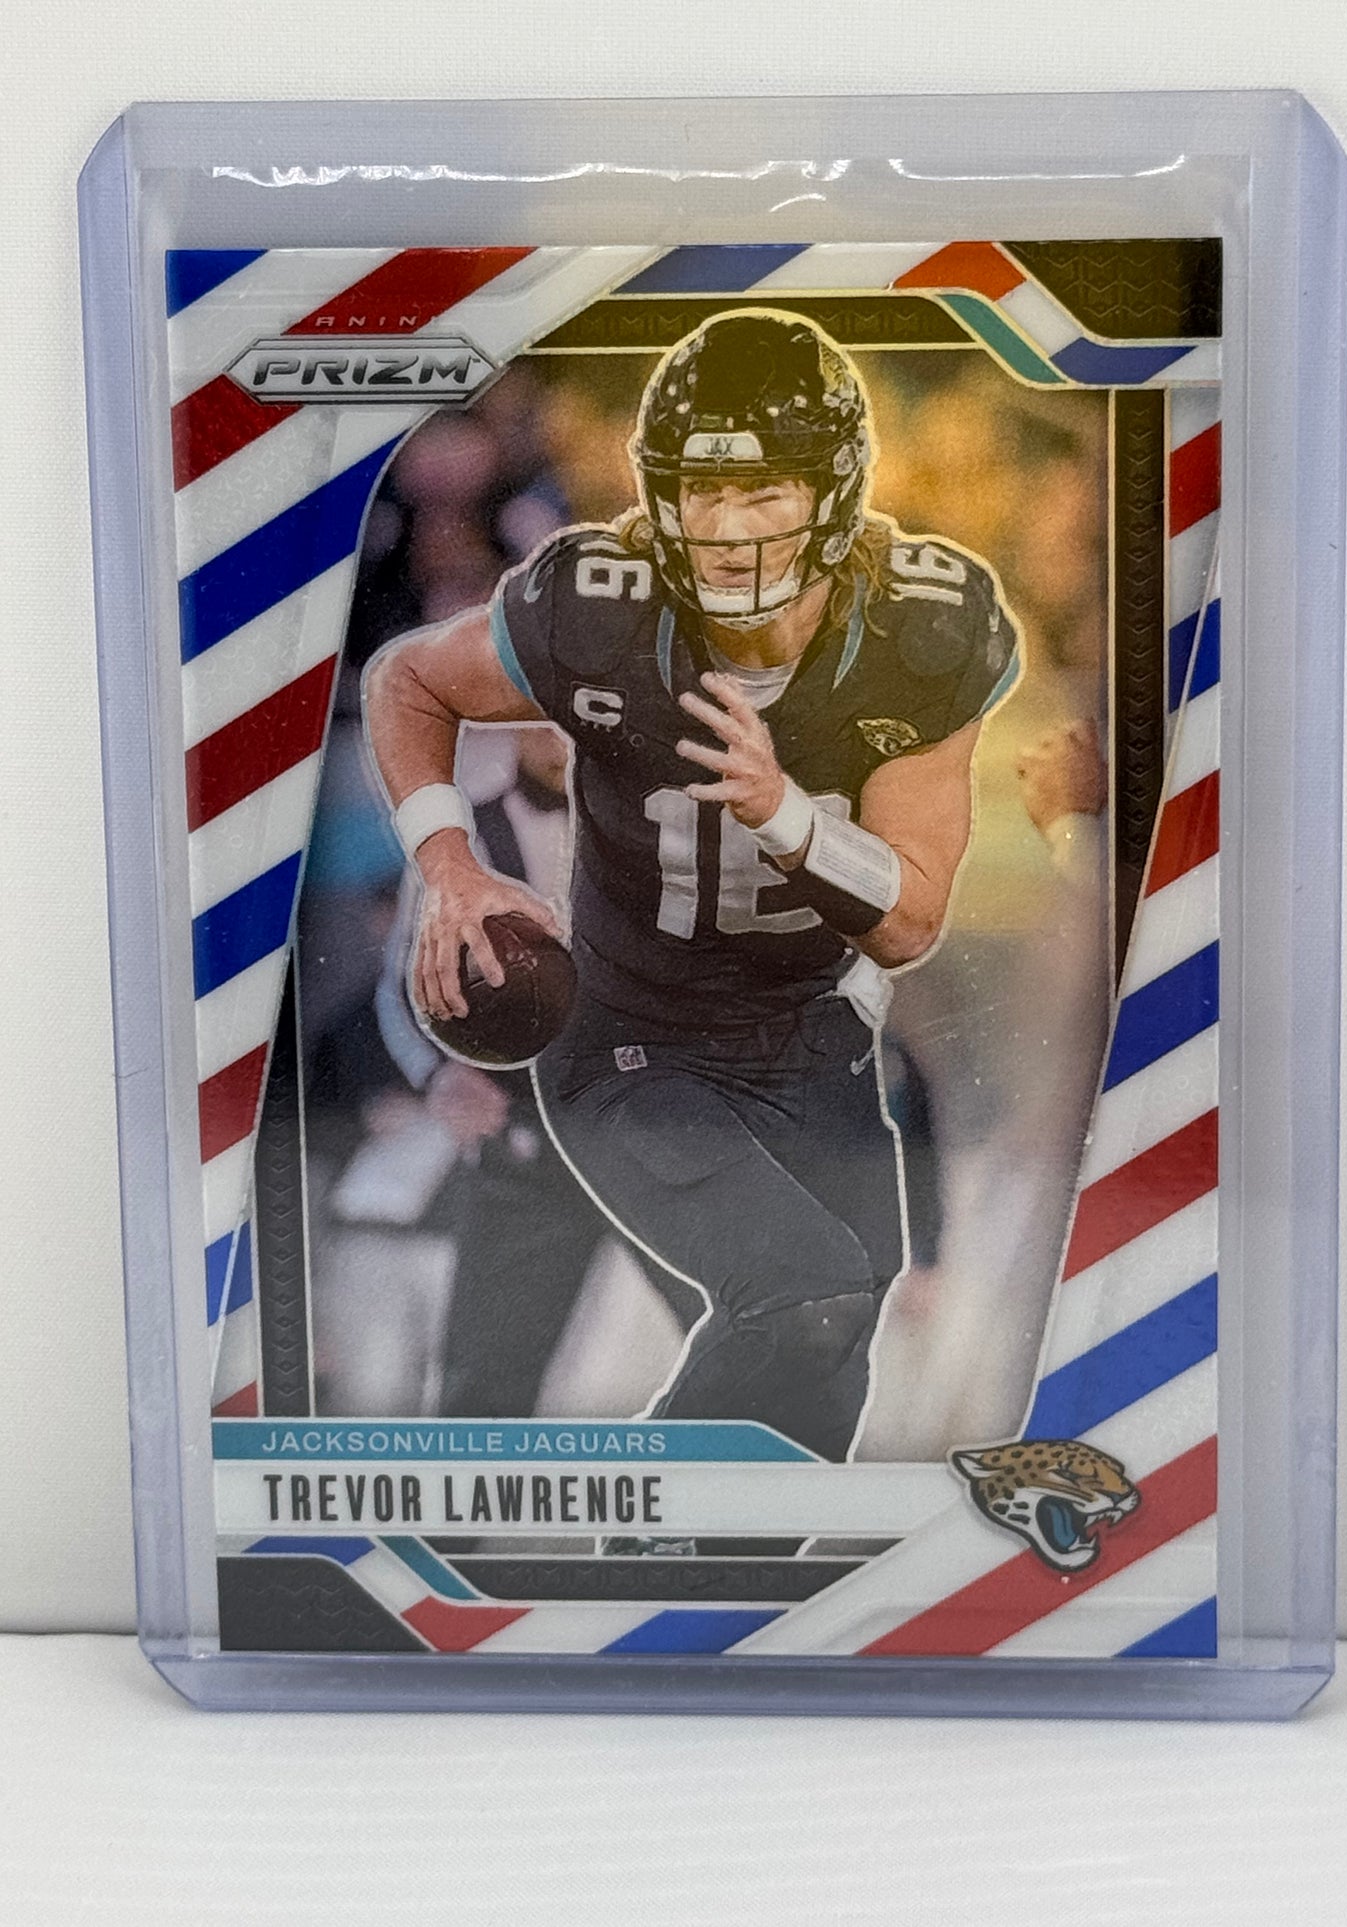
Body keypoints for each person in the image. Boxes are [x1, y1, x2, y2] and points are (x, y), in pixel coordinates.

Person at [363, 309, 1020, 1462]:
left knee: (831, 1343)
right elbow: (408, 681)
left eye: (763, 492)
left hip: (810, 1041)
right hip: (633, 1039)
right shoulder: (596, 605)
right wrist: (449, 862)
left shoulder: (916, 630)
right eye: (700, 492)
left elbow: (909, 921)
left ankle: (722, 1548)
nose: (726, 530)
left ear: (834, 490)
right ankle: (652, 1516)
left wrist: (783, 813)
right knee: (804, 1294)